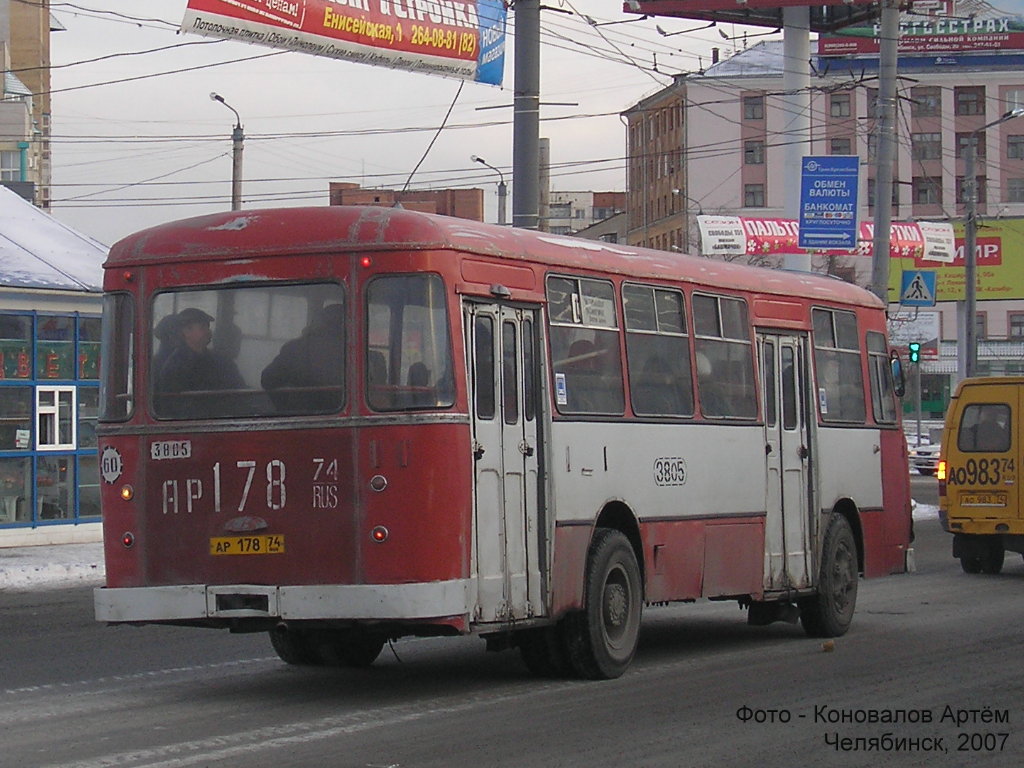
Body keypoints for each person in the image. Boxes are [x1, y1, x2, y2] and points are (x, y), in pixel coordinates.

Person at [156, 308, 244, 415]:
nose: (208, 332)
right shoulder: (174, 367)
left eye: (208, 327)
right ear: (186, 331)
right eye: (202, 328)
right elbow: (176, 407)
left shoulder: (221, 362)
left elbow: (239, 390)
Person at [261, 304, 345, 412]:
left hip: (301, 415)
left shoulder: (294, 348)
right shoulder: (357, 352)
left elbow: (268, 380)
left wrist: (285, 407)